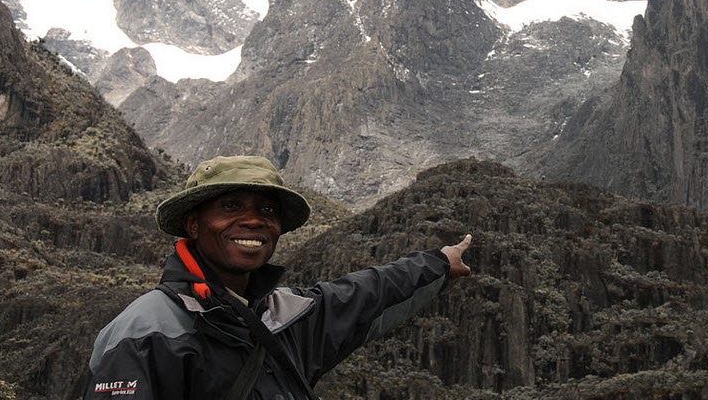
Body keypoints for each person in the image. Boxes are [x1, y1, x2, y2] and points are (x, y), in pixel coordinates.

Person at [83, 155, 471, 400]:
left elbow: (365, 293)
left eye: (267, 209)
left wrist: (439, 262)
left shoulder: (285, 316)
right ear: (193, 225)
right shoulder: (145, 330)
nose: (253, 219)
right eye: (230, 205)